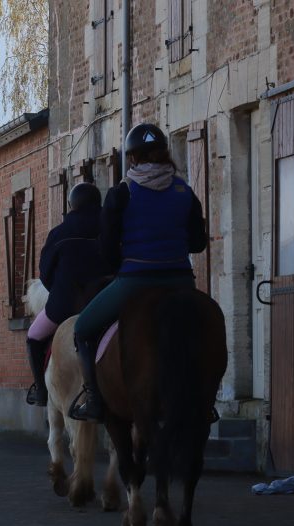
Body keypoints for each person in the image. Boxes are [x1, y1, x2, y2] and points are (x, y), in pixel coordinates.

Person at [69, 122, 208, 421]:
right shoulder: (185, 191)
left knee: (82, 329)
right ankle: (206, 404)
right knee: (202, 334)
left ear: (132, 158)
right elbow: (198, 243)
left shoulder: (122, 192)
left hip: (135, 281)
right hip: (182, 282)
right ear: (164, 154)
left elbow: (107, 248)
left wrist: (123, 264)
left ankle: (93, 400)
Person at [26, 182, 112, 406]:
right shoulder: (111, 228)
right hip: (107, 301)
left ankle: (41, 391)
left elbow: (45, 273)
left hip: (66, 304)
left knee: (34, 337)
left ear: (72, 205)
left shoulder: (59, 233)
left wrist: (60, 288)